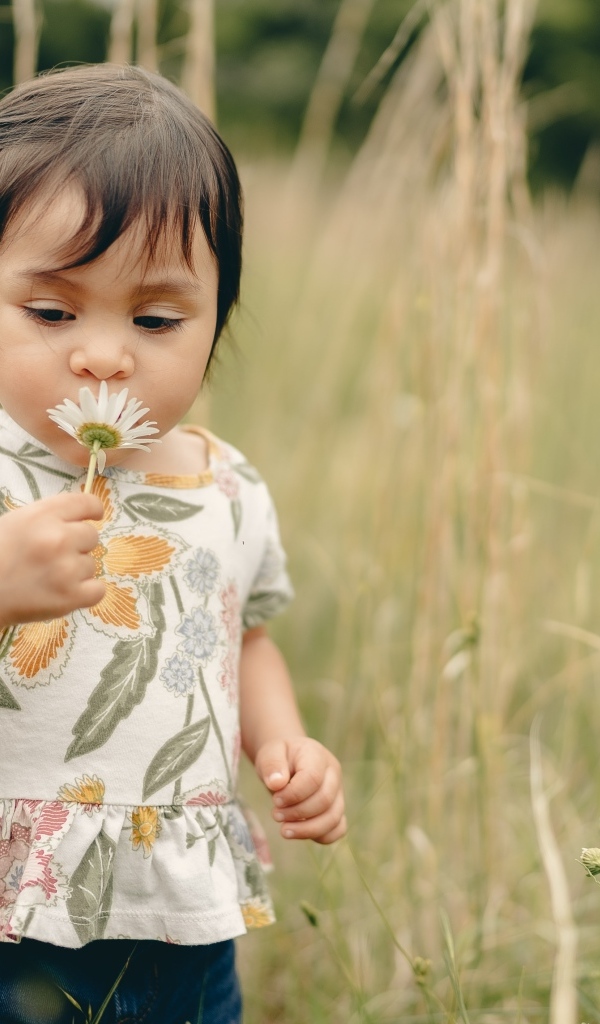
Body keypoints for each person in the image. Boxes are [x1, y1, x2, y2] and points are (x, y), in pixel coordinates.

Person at [0, 64, 346, 1024]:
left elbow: (246, 636)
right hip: (15, 907)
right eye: (51, 312)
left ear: (216, 319)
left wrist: (285, 743)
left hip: (179, 910)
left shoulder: (225, 487)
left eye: (156, 320)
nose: (105, 355)